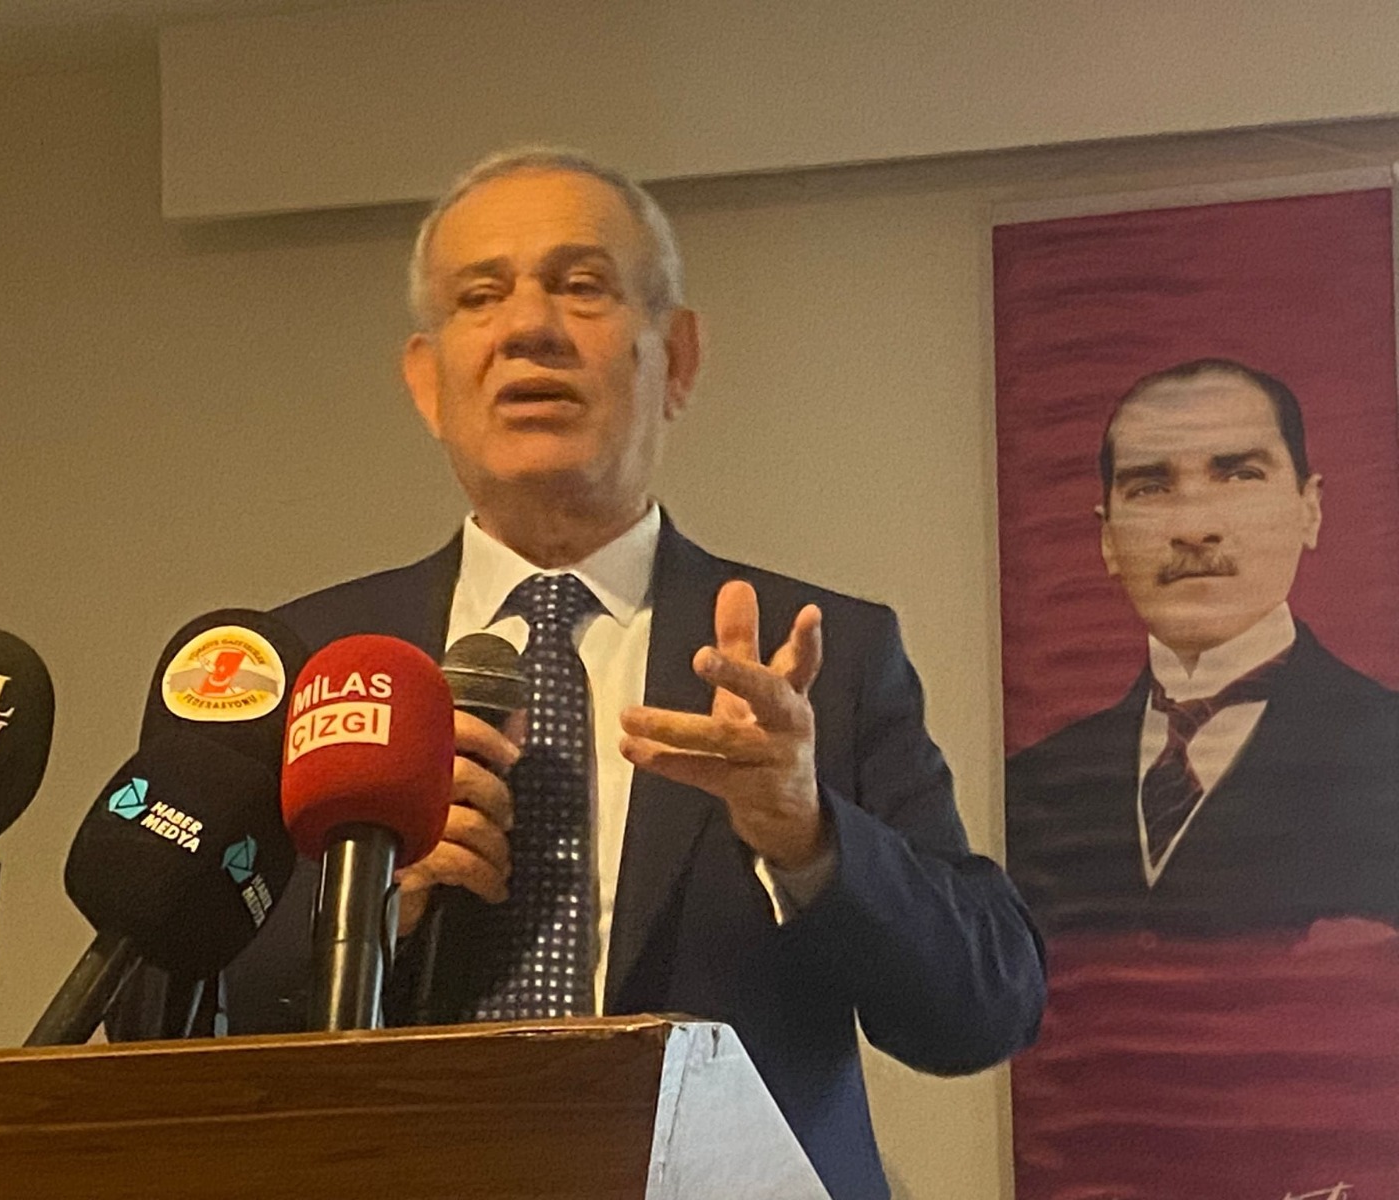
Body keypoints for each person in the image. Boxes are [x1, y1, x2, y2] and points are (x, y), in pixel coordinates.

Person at [222, 148, 1045, 1200]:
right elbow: (175, 1011)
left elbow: (983, 1008)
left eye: (582, 285)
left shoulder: (817, 659)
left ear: (678, 359)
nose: (529, 327)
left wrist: (807, 834)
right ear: (428, 381)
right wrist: (369, 908)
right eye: (481, 296)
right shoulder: (312, 662)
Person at [1006, 358, 1399, 937]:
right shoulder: (1033, 785)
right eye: (1150, 486)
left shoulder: (1385, 747)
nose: (1192, 528)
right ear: (1108, 538)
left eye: (1239, 475)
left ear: (1309, 509)